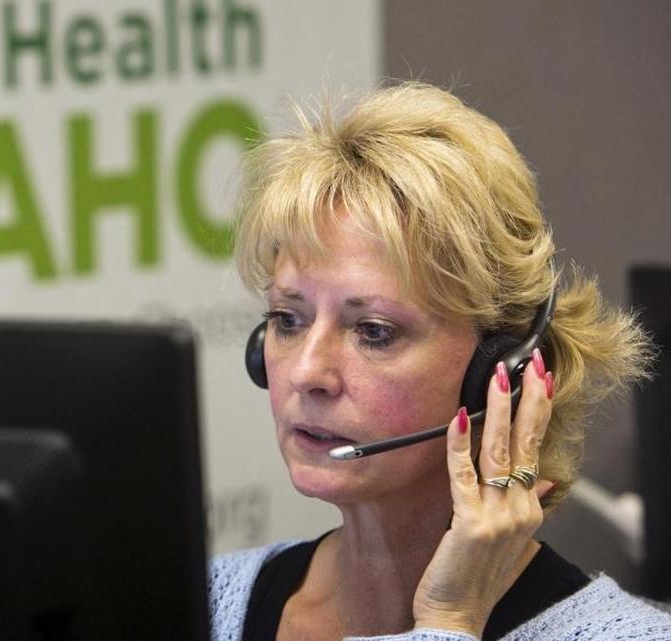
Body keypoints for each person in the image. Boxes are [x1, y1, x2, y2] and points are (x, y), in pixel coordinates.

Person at [209, 82, 671, 641]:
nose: (306, 373)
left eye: (373, 332)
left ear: (499, 370)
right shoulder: (209, 603)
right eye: (288, 319)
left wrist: (449, 623)